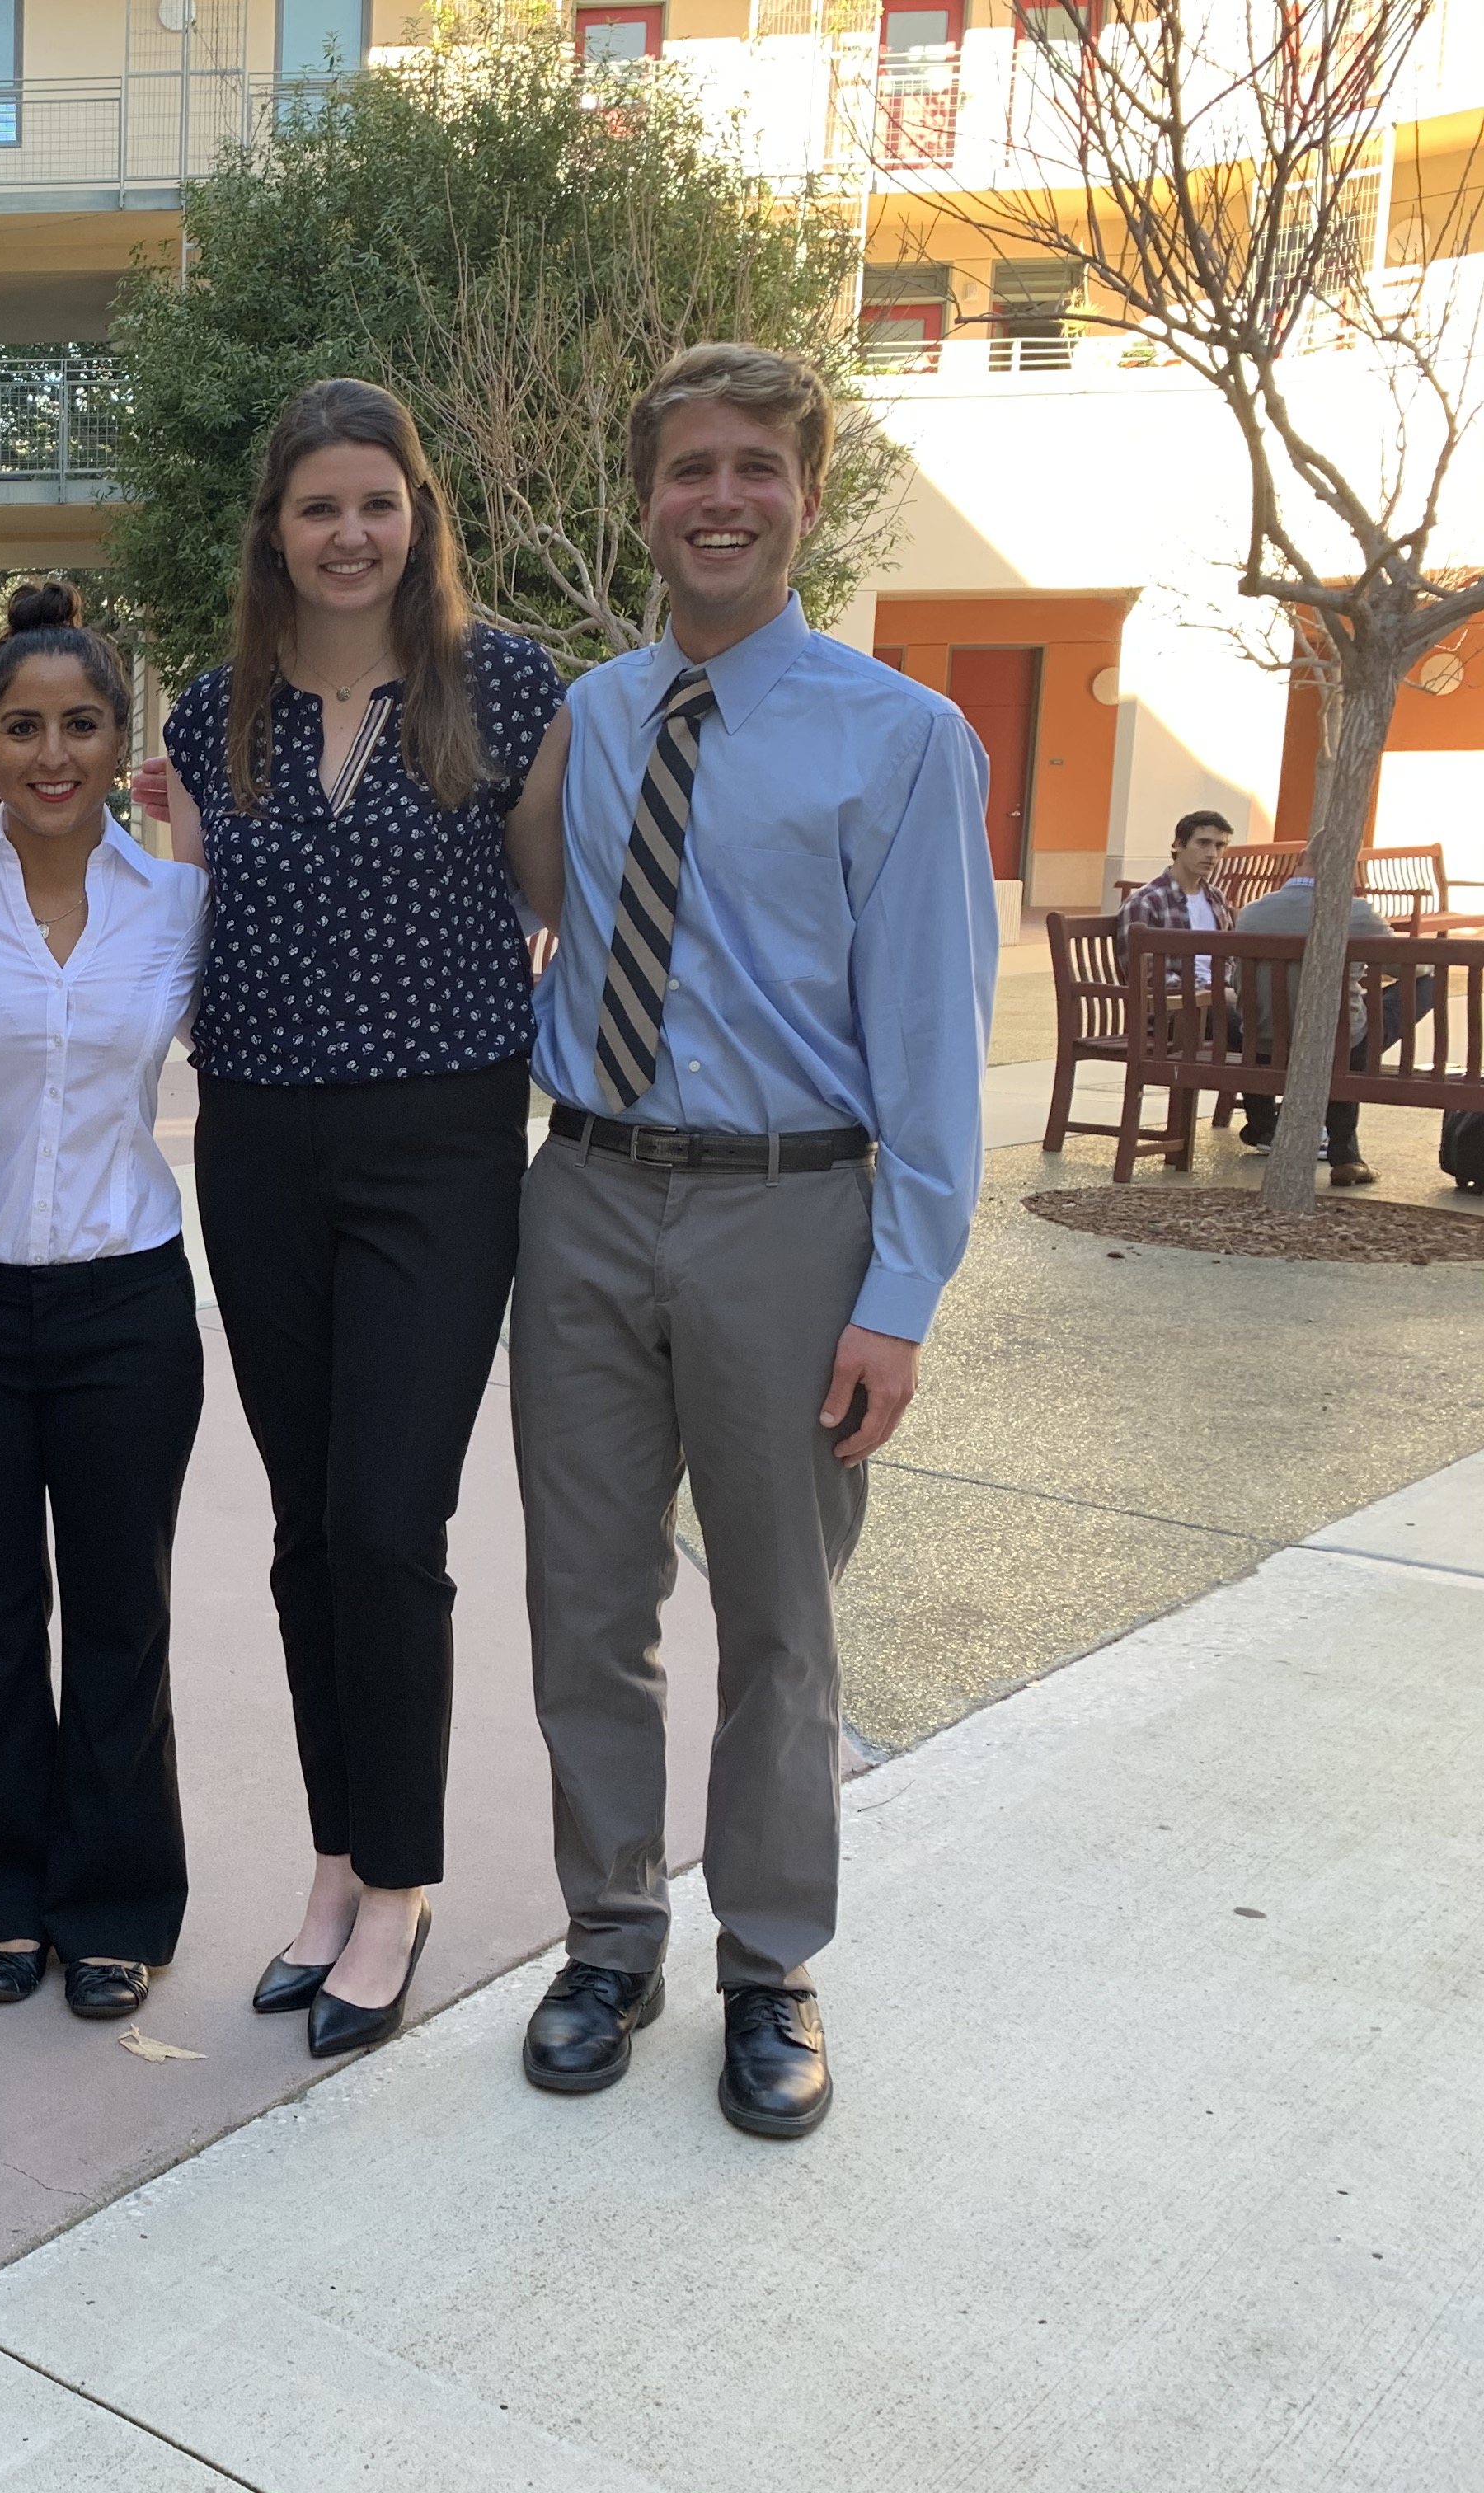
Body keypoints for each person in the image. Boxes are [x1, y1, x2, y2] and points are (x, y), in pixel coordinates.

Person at [500, 344, 995, 2140]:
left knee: (782, 1621)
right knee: (587, 1598)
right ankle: (610, 1932)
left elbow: (936, 1037)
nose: (720, 499)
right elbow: (536, 902)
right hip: (589, 1192)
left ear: (805, 493)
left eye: (755, 471)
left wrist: (901, 1291)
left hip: (796, 1210)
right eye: (690, 470)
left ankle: (770, 1960)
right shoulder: (596, 713)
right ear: (645, 499)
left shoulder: (904, 738)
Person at [143, 378, 564, 2059]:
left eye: (375, 503)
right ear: (275, 529)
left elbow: (562, 908)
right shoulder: (205, 718)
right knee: (308, 1526)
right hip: (253, 1144)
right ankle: (334, 1866)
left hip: (441, 1144)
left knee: (392, 1522)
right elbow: (157, 927)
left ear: (418, 515)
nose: (348, 534)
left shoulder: (504, 687)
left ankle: (401, 1886)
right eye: (317, 506)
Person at [0, 584, 207, 2021]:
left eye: (80, 723)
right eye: (22, 726)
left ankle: (119, 1901)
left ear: (117, 738)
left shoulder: (179, 900)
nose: (51, 752)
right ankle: (2, 1893)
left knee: (121, 1612)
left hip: (126, 1302)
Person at [1233, 872, 1419, 1186]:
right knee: (1348, 1032)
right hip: (1338, 1045)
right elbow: (1411, 968)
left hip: (1264, 1045)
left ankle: (1265, 1126)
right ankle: (1346, 1155)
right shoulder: (1355, 912)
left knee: (1340, 1026)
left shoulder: (1251, 912)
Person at [1119, 810, 1237, 993]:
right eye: (1203, 843)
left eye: (1220, 846)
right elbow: (1146, 973)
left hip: (1221, 996)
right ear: (1179, 845)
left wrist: (1230, 988)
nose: (1212, 854)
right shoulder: (1146, 902)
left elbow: (1230, 957)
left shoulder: (1216, 898)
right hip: (1177, 1006)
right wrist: (1206, 993)